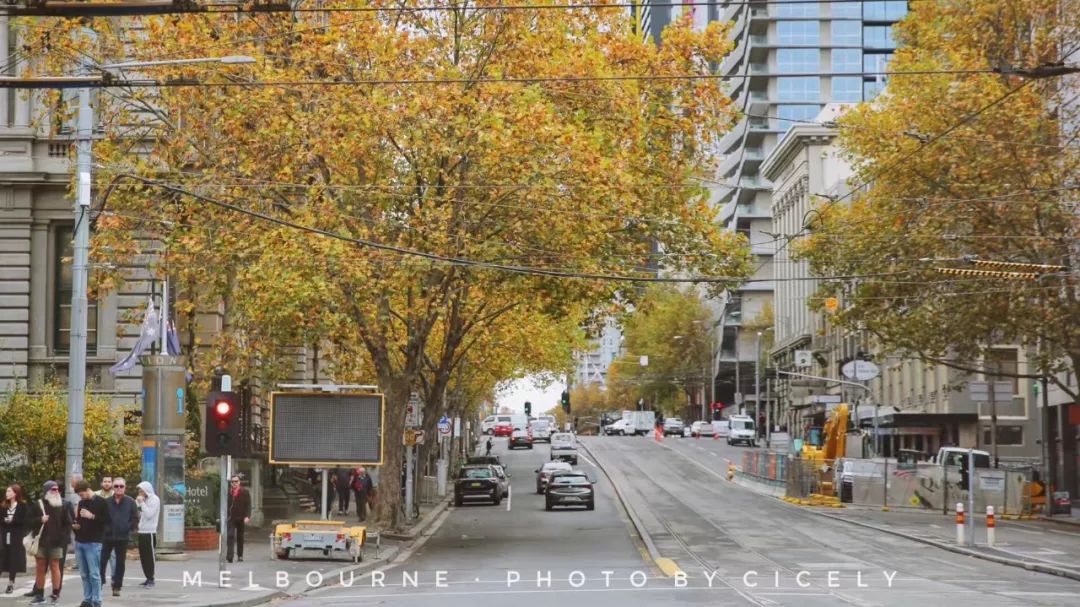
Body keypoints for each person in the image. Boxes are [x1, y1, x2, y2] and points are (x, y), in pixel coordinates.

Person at [27, 481, 72, 604]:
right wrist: (39, 519)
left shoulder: (63, 504)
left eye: (57, 489)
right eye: (53, 489)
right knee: (40, 568)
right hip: (41, 542)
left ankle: (55, 594)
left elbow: (68, 524)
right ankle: (40, 595)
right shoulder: (38, 504)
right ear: (46, 490)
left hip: (57, 543)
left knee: (55, 567)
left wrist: (62, 538)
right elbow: (28, 521)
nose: (56, 491)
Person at [72, 481, 109, 607]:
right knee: (84, 573)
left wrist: (92, 516)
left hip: (94, 542)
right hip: (80, 541)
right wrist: (76, 526)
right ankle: (87, 599)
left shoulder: (102, 502)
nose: (81, 497)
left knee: (94, 573)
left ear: (88, 489)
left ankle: (97, 599)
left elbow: (107, 521)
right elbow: (80, 520)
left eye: (82, 494)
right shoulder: (82, 503)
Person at [100, 477, 138, 597]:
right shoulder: (106, 502)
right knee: (102, 561)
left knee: (120, 563)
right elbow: (102, 518)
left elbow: (135, 518)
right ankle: (100, 582)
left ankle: (117, 586)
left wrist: (129, 529)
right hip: (107, 537)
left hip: (122, 537)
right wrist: (104, 530)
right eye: (116, 486)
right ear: (113, 487)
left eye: (121, 486)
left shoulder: (131, 502)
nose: (119, 488)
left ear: (125, 487)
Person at [0, 484, 28, 594]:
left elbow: (25, 521)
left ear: (15, 493)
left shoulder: (22, 506)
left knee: (14, 559)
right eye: (6, 491)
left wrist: (13, 521)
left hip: (17, 536)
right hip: (4, 534)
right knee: (2, 557)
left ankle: (11, 582)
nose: (7, 493)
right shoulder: (3, 506)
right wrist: (5, 521)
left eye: (9, 491)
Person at [135, 481, 159, 588]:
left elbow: (149, 514)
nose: (140, 492)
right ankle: (147, 577)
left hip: (150, 531)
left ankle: (151, 578)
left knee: (149, 556)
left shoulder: (155, 499)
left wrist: (142, 503)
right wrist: (139, 503)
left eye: (141, 490)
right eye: (139, 490)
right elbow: (139, 513)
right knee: (143, 557)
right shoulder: (142, 500)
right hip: (141, 531)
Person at [225, 476, 251, 563]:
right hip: (231, 518)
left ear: (239, 482)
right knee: (230, 535)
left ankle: (240, 555)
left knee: (240, 537)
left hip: (241, 518)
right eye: (232, 482)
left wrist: (247, 516)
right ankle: (230, 556)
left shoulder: (245, 492)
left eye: (236, 481)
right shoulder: (228, 492)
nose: (234, 483)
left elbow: (248, 505)